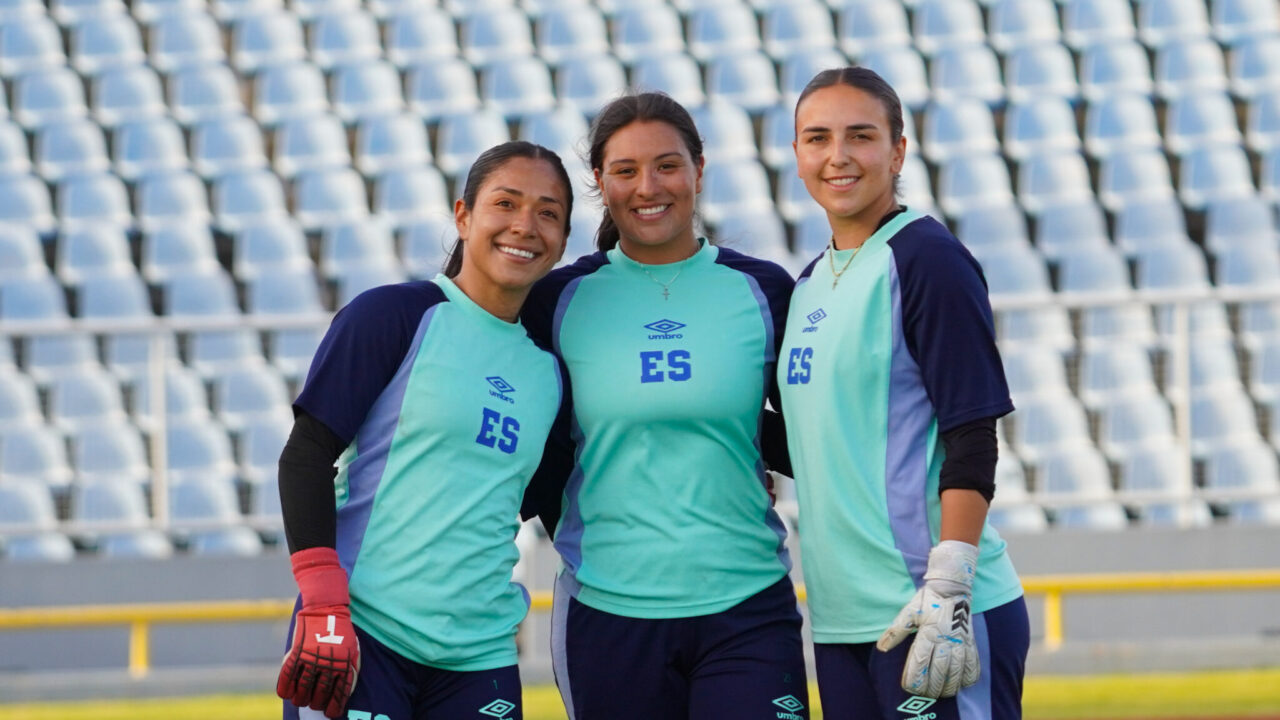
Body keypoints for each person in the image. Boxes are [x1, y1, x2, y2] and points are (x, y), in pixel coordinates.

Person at [520, 91, 809, 719]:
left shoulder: (764, 291)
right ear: (600, 182)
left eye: (667, 165)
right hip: (608, 612)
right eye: (624, 171)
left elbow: (808, 432)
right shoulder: (557, 301)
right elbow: (530, 444)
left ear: (699, 170)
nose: (647, 186)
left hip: (747, 607)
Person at [274, 141, 573, 720]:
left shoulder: (550, 373)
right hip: (363, 636)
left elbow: (547, 501)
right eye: (505, 203)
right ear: (463, 216)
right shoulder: (392, 316)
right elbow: (306, 456)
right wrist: (322, 601)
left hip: (480, 659)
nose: (525, 226)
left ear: (562, 241)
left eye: (548, 213)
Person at [778, 66, 1031, 720]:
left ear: (897, 151)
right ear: (797, 157)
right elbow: (821, 445)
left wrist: (950, 583)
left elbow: (973, 433)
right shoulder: (808, 284)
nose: (838, 156)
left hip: (934, 609)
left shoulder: (927, 259)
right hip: (842, 623)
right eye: (817, 138)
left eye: (860, 136)